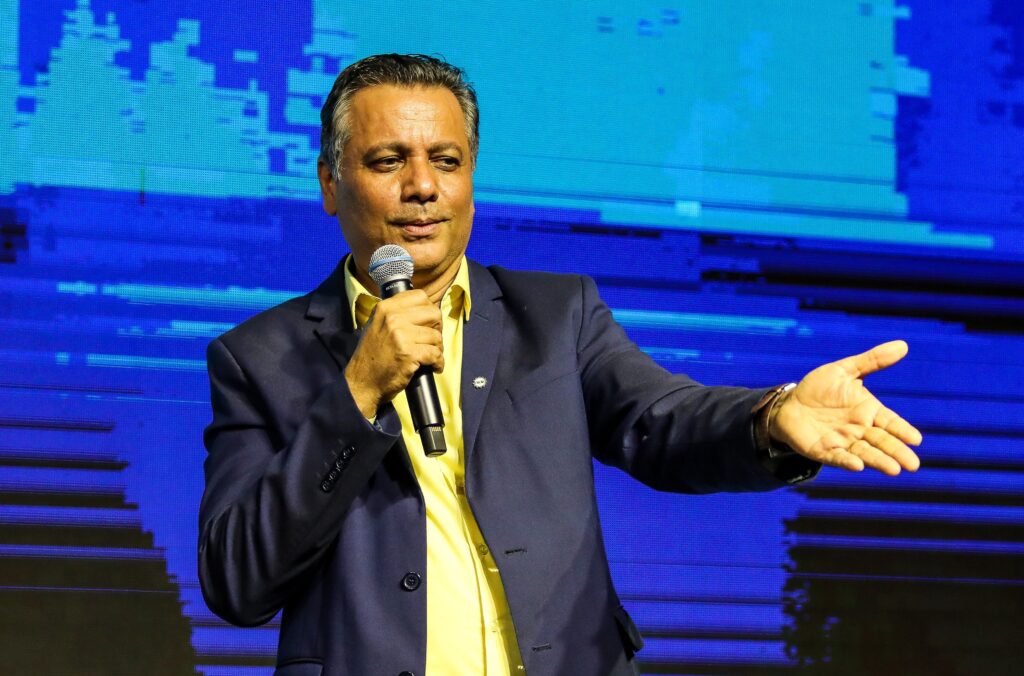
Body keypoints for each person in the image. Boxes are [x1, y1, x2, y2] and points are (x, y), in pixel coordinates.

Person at [198, 54, 921, 676]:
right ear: (330, 183)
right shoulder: (259, 358)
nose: (423, 186)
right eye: (389, 161)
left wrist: (773, 417)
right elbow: (238, 580)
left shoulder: (555, 315)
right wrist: (358, 392)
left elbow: (662, 420)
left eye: (446, 161)